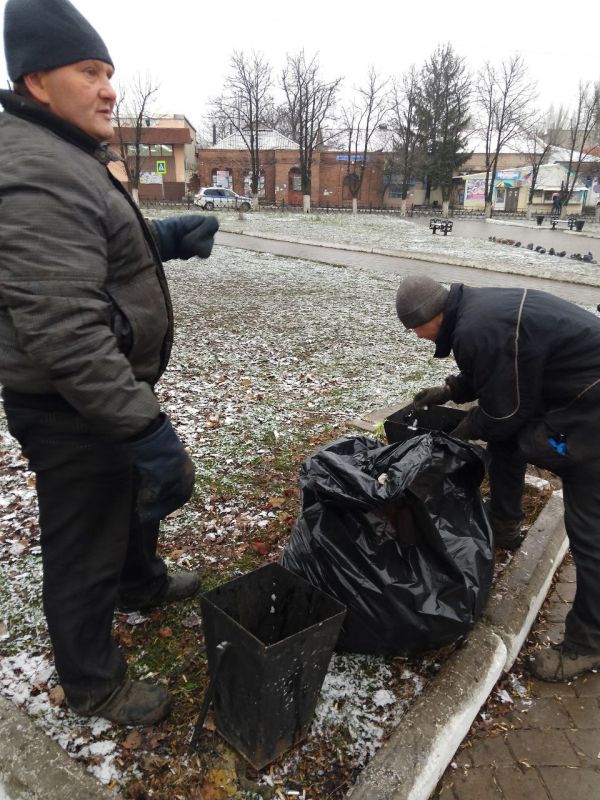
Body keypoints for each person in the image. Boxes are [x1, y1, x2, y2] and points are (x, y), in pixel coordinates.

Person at [0, 0, 219, 725]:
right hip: (72, 405)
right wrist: (144, 430)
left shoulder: (64, 153)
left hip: (107, 394)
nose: (108, 88)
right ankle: (94, 682)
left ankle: (141, 582)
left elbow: (92, 250)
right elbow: (65, 330)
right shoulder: (36, 170)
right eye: (88, 71)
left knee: (128, 500)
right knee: (84, 538)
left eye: (109, 73)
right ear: (36, 81)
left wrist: (165, 237)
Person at [395, 274, 600, 682]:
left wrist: (464, 429)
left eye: (415, 328)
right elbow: (498, 369)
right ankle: (506, 523)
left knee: (588, 527)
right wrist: (450, 391)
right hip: (577, 391)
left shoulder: (476, 326)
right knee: (509, 442)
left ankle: (587, 642)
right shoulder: (474, 311)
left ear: (430, 316)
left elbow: (504, 412)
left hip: (591, 410)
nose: (416, 336)